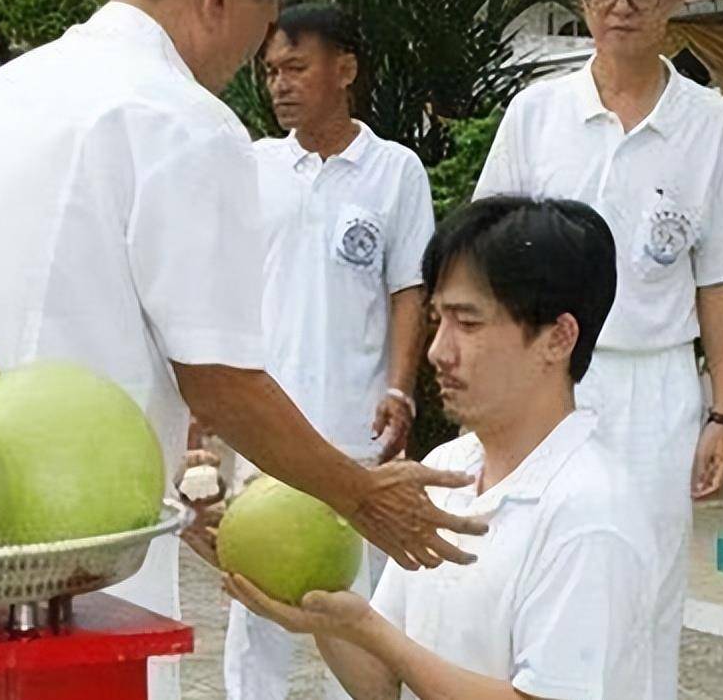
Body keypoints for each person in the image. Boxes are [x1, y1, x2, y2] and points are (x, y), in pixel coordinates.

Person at [0, 0, 483, 697]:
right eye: (262, 26)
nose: (255, 61)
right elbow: (220, 378)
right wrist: (360, 493)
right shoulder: (183, 121)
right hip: (76, 544)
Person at [472, 0, 723, 697]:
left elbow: (722, 277)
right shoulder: (538, 114)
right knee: (527, 568)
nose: (621, 8)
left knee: (648, 587)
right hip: (546, 384)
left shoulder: (710, 124)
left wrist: (722, 414)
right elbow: (487, 254)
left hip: (658, 387)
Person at [226, 195, 657, 700]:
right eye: (438, 321)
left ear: (558, 338)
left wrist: (369, 630)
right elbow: (381, 683)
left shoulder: (590, 513)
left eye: (468, 324)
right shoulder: (445, 471)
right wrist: (312, 601)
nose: (438, 351)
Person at [224, 2, 434, 700]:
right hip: (264, 421)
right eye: (271, 70)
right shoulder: (250, 166)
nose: (279, 84)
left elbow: (409, 288)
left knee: (357, 604)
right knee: (254, 604)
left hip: (355, 426)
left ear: (344, 69)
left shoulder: (395, 171)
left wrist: (400, 388)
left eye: (296, 67)